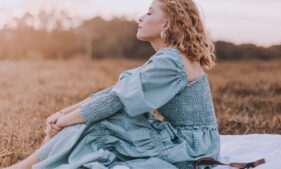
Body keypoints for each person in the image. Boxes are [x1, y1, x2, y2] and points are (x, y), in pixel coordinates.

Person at [5, 0, 220, 168]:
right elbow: (116, 92)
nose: (141, 17)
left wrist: (64, 121)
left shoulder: (171, 61)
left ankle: (24, 166)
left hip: (191, 149)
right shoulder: (172, 57)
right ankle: (31, 164)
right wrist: (64, 112)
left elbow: (115, 100)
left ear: (167, 23)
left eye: (149, 12)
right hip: (193, 142)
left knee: (102, 121)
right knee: (101, 118)